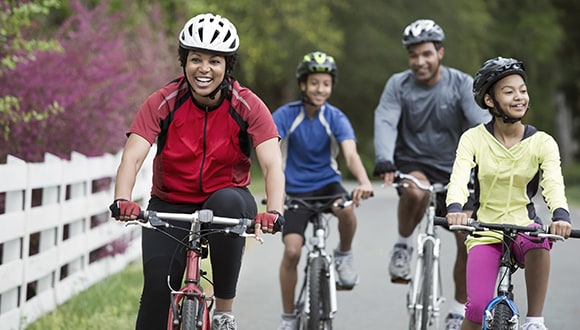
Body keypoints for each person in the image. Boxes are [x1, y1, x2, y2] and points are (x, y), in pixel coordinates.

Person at [108, 13, 285, 330]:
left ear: (227, 66)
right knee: (155, 297)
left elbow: (272, 163)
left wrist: (273, 211)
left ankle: (224, 314)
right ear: (184, 62)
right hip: (170, 205)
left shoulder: (247, 104)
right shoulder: (164, 101)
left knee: (227, 204)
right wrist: (123, 200)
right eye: (196, 59)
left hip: (227, 199)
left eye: (215, 61)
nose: (204, 68)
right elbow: (133, 157)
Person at [372, 19, 491, 329]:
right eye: (413, 55)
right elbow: (385, 120)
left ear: (440, 52)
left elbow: (482, 127)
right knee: (416, 191)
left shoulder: (461, 84)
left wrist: (489, 164)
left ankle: (456, 311)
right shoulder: (398, 85)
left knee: (467, 240)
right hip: (414, 164)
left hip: (458, 172)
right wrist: (384, 158)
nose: (419, 61)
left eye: (426, 53)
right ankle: (403, 245)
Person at [445, 57, 572, 330]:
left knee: (540, 240)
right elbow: (458, 177)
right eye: (509, 91)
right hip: (484, 230)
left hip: (523, 226)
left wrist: (560, 215)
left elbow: (552, 184)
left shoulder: (542, 142)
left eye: (523, 90)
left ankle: (534, 321)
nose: (519, 97)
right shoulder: (473, 138)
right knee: (477, 309)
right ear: (490, 101)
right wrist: (455, 209)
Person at [273, 51, 374, 330]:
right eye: (314, 83)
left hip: (328, 184)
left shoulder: (336, 117)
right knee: (292, 251)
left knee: (347, 210)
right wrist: (274, 193)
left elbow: (351, 155)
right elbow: (269, 151)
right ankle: (288, 318)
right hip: (294, 190)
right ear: (303, 85)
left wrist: (364, 181)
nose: (321, 89)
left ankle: (344, 254)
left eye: (326, 83)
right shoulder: (285, 115)